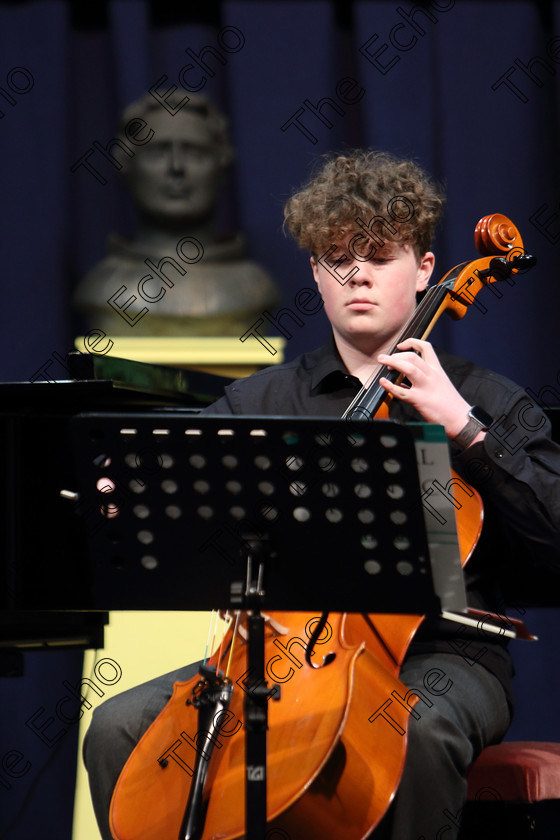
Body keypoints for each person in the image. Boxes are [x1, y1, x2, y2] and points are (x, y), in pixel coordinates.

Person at [83, 150, 560, 840]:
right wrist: (120, 494)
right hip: (277, 661)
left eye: (379, 255)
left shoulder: (484, 398)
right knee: (117, 728)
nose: (357, 273)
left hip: (445, 657)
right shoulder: (262, 401)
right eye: (338, 257)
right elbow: (168, 496)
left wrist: (463, 428)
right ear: (315, 272)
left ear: (426, 272)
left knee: (414, 734)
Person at [73, 92, 279, 336]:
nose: (177, 167)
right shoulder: (102, 287)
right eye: (158, 153)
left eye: (195, 153)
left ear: (222, 167)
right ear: (126, 166)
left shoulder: (254, 288)